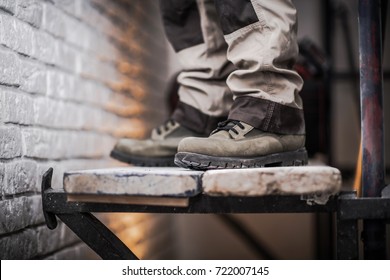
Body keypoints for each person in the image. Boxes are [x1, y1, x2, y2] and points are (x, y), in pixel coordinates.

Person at [110, 0, 307, 170]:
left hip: (270, 108)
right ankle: (203, 110)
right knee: (188, 6)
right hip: (206, 106)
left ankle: (270, 107)